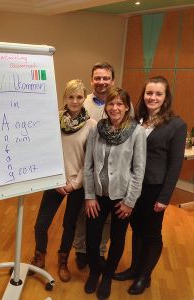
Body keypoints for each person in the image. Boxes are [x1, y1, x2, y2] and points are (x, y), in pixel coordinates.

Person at [113, 76, 187, 295]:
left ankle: (145, 276)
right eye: (149, 93)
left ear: (165, 97)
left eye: (158, 94)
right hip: (133, 186)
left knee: (152, 233)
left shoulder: (176, 125)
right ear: (143, 95)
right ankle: (135, 268)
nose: (152, 97)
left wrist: (165, 198)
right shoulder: (137, 121)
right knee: (136, 229)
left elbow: (174, 166)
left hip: (154, 188)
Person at [30, 79, 97, 282]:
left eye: (79, 97)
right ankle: (39, 257)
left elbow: (90, 160)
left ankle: (62, 262)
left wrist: (74, 184)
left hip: (77, 184)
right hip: (54, 181)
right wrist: (56, 180)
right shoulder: (54, 119)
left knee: (69, 225)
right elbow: (46, 151)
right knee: (41, 225)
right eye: (70, 97)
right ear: (64, 98)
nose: (75, 101)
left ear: (83, 98)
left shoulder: (92, 125)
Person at [83, 87, 146, 300]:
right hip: (98, 196)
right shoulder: (96, 129)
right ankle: (95, 271)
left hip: (122, 198)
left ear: (126, 106)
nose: (115, 107)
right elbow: (88, 164)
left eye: (120, 103)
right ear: (106, 106)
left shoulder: (136, 132)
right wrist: (89, 195)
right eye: (111, 103)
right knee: (92, 240)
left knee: (117, 240)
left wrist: (130, 202)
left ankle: (108, 276)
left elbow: (139, 170)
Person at [73, 62, 115, 269]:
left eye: (106, 78)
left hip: (110, 174)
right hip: (85, 170)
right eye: (97, 78)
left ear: (112, 80)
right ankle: (81, 250)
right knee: (84, 212)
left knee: (106, 217)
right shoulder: (83, 104)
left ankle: (99, 251)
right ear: (91, 80)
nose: (102, 82)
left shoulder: (122, 103)